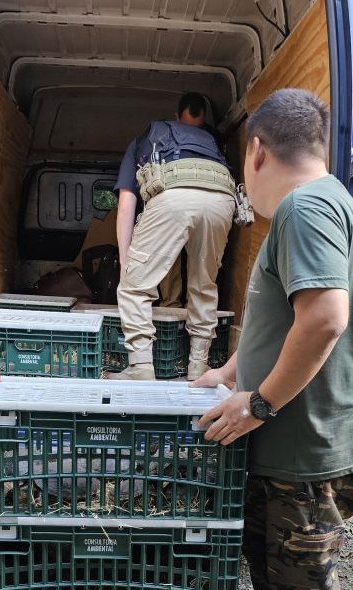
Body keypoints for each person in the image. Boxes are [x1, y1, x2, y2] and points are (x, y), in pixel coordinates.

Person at [195, 88, 353, 590]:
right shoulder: (325, 204)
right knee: (271, 554)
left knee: (303, 572)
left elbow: (325, 317)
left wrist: (258, 404)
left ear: (256, 152)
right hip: (293, 437)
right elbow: (282, 318)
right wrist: (229, 372)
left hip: (309, 442)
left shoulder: (306, 208)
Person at [109, 92, 236, 381]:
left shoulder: (145, 140)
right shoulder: (210, 141)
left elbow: (126, 204)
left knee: (135, 288)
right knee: (204, 285)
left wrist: (126, 263)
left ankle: (141, 366)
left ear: (175, 116)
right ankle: (198, 365)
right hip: (222, 198)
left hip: (174, 193)